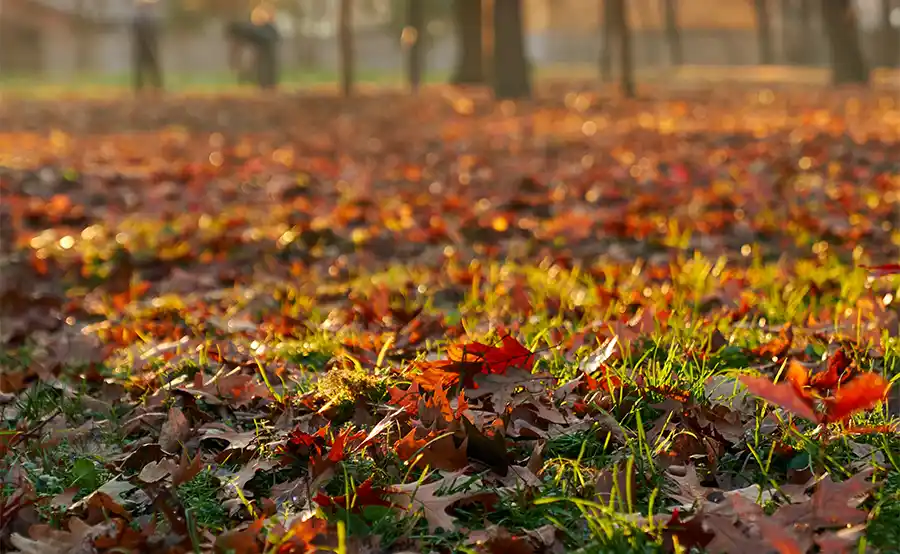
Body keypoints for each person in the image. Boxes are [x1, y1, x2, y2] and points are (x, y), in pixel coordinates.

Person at [132, 0, 164, 92]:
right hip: (143, 46)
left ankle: (156, 86)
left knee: (151, 66)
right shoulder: (142, 18)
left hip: (148, 45)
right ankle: (141, 87)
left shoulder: (150, 18)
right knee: (142, 67)